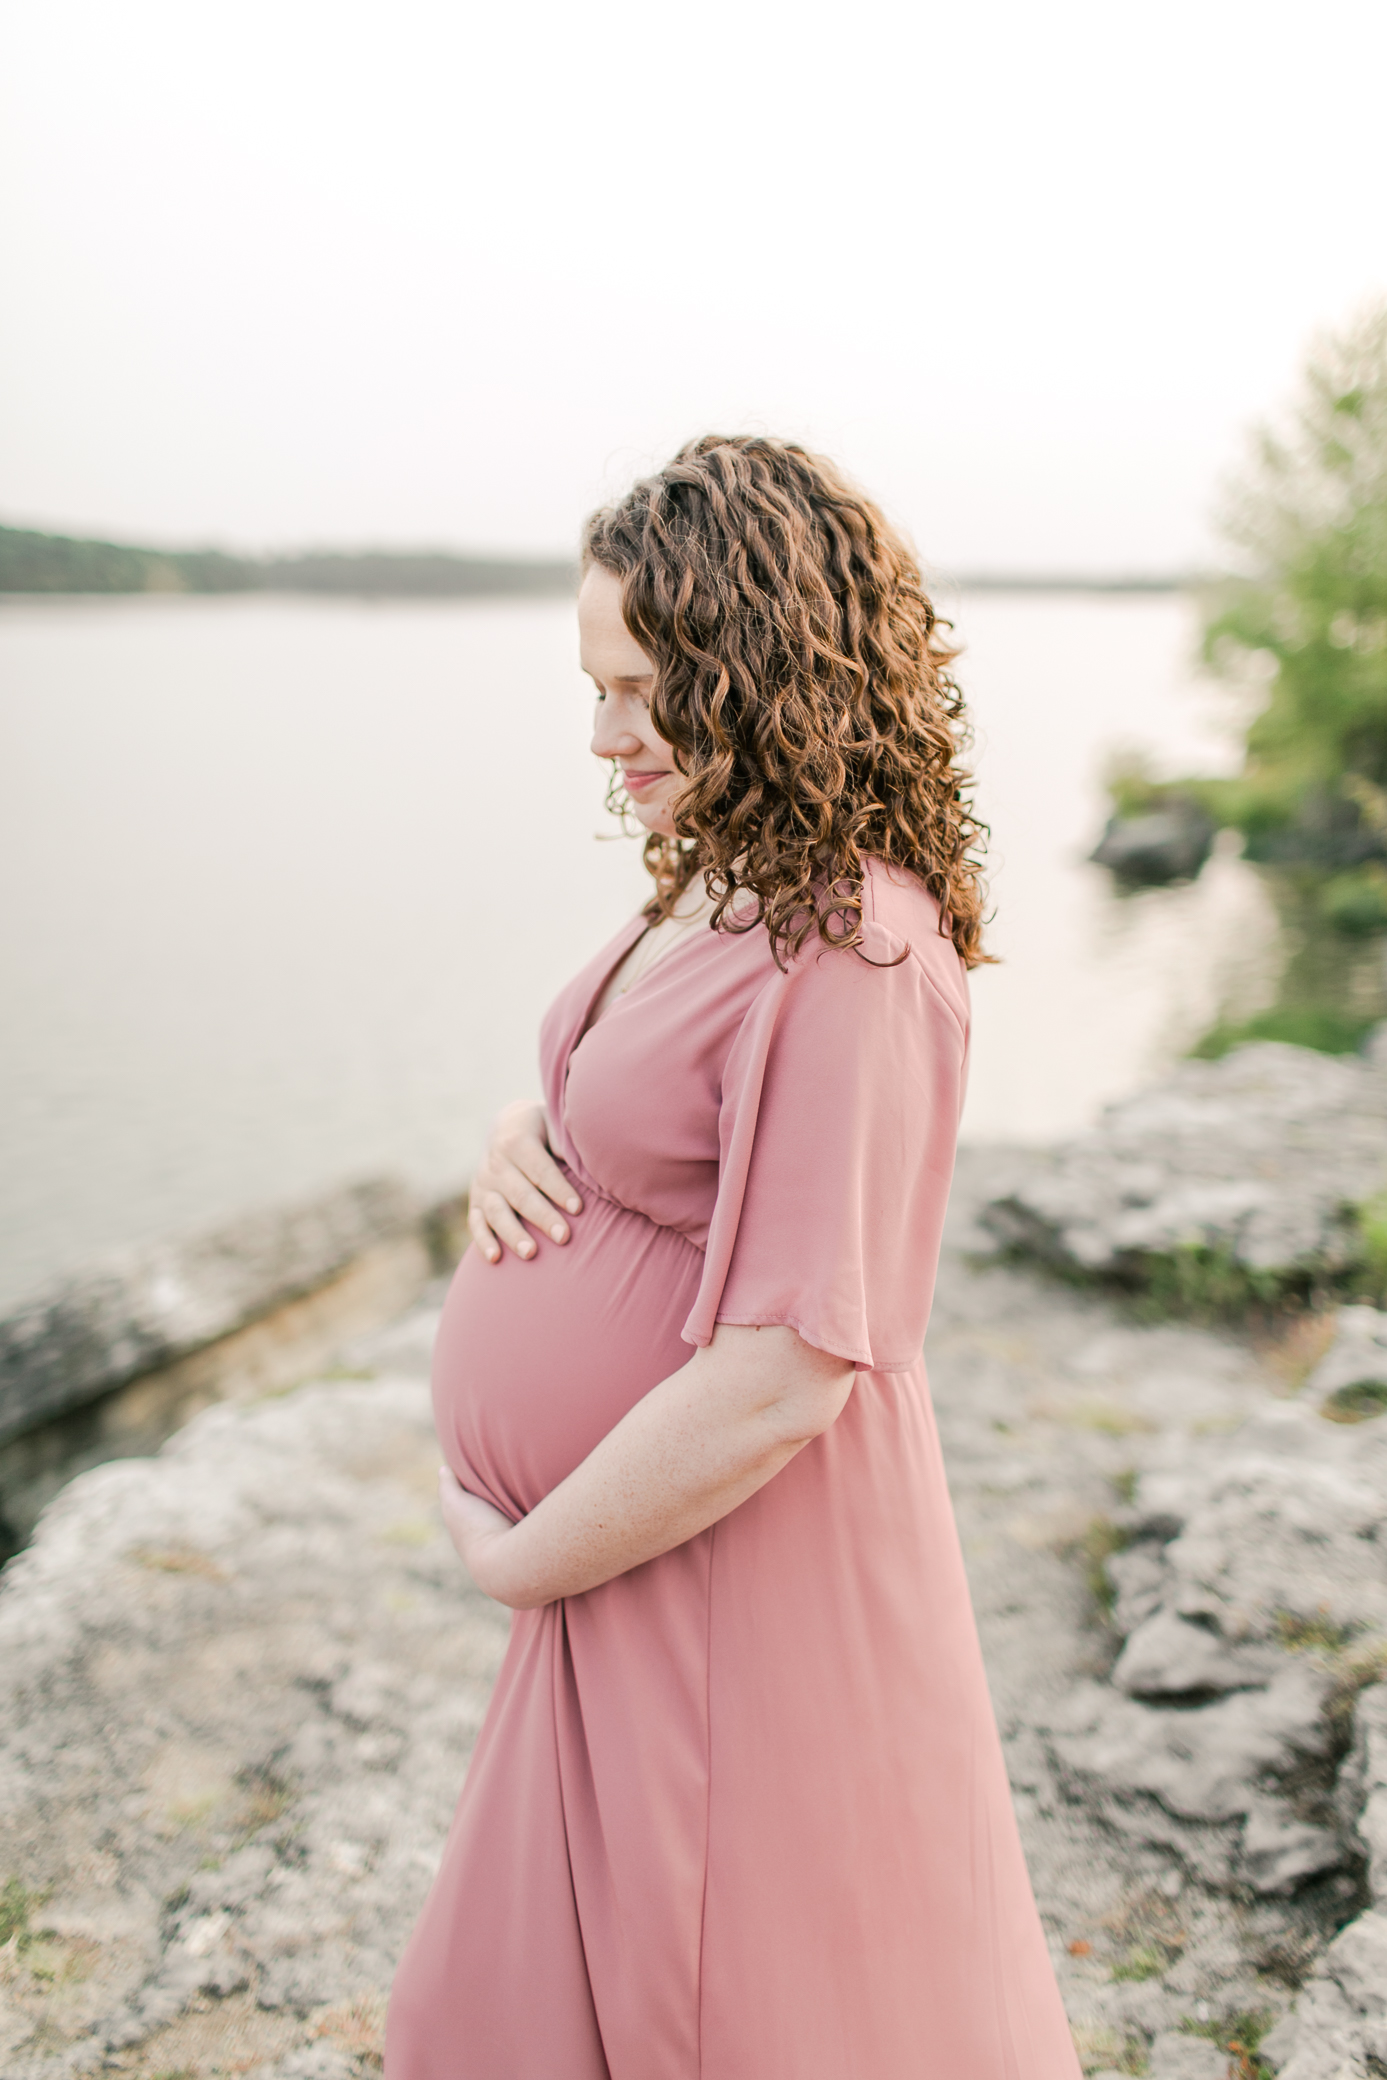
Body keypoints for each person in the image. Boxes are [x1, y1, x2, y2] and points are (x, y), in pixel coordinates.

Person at [385, 436, 1081, 2078]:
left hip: (731, 1577)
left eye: (638, 689)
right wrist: (525, 1117)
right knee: (517, 2015)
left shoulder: (865, 947)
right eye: (593, 685)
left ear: (756, 670)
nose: (607, 734)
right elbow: (669, 1123)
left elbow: (791, 1372)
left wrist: (525, 1555)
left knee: (751, 2012)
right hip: (638, 1559)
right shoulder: (731, 869)